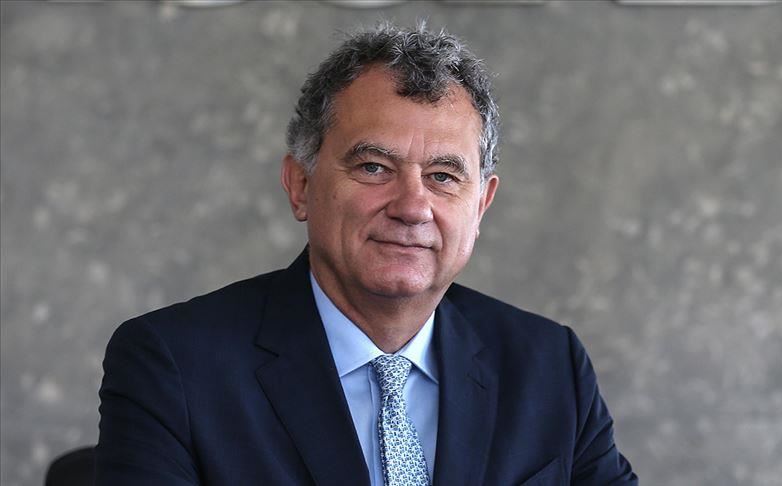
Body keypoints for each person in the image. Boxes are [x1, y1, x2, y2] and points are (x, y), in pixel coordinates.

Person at [95, 23, 637, 485]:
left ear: (480, 206)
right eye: (374, 167)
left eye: (443, 176)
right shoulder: (173, 366)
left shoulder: (550, 367)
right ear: (300, 185)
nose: (412, 207)